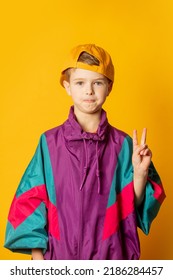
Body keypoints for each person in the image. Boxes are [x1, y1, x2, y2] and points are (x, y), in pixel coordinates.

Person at [4, 44, 165, 260]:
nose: (89, 91)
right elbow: (31, 201)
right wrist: (38, 262)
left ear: (109, 87)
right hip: (59, 261)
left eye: (97, 83)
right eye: (80, 83)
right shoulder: (49, 144)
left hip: (111, 260)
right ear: (67, 86)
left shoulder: (124, 146)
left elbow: (131, 207)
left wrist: (139, 173)